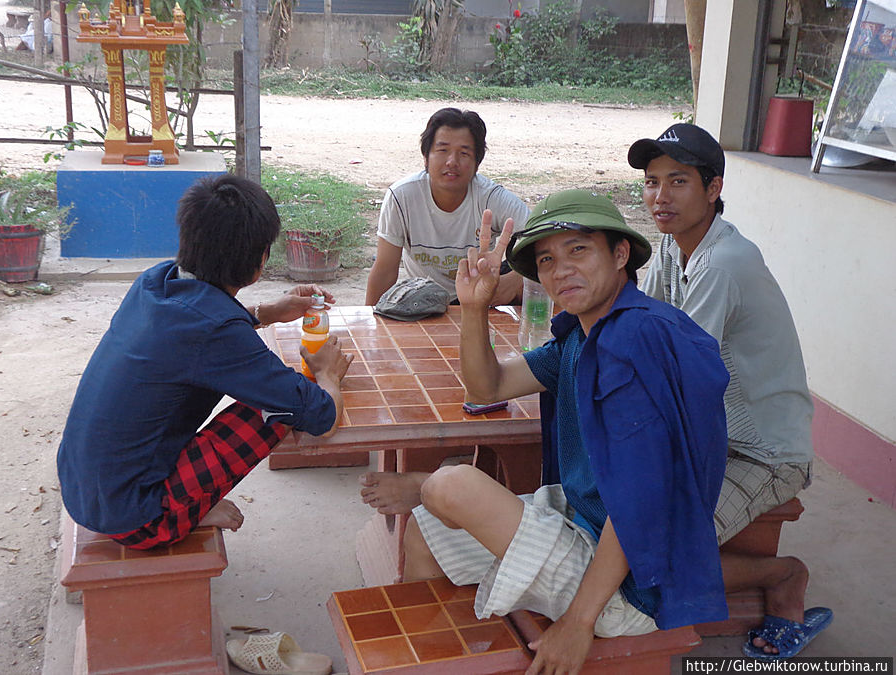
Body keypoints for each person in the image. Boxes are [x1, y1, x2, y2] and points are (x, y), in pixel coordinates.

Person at [400, 189, 731, 674]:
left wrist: (578, 621)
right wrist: (474, 308)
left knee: (449, 484)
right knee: (425, 531)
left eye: (579, 250)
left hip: (631, 584)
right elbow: (488, 384)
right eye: (547, 260)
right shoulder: (583, 334)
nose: (562, 270)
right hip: (581, 525)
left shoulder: (631, 343)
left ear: (620, 255)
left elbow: (640, 498)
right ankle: (435, 661)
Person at [57, 175, 353, 549]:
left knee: (273, 391)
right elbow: (322, 417)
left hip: (84, 486)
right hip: (134, 518)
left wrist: (270, 312)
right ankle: (181, 512)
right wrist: (328, 373)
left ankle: (183, 502)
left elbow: (202, 330)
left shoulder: (155, 282)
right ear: (259, 262)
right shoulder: (215, 332)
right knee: (279, 407)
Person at [627, 123, 832, 658]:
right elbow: (645, 331)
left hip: (765, 452)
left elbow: (672, 373)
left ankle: (783, 577)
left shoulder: (723, 263)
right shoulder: (675, 249)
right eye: (651, 183)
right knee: (625, 527)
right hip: (712, 436)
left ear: (713, 189)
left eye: (677, 182)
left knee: (659, 554)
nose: (660, 197)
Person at [364, 107, 529, 307]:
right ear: (426, 156)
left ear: (477, 163)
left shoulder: (491, 197)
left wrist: (513, 282)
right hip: (425, 298)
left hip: (482, 292)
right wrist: (370, 327)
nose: (452, 162)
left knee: (533, 280)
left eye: (464, 153)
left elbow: (545, 236)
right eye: (442, 150)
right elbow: (385, 270)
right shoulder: (402, 196)